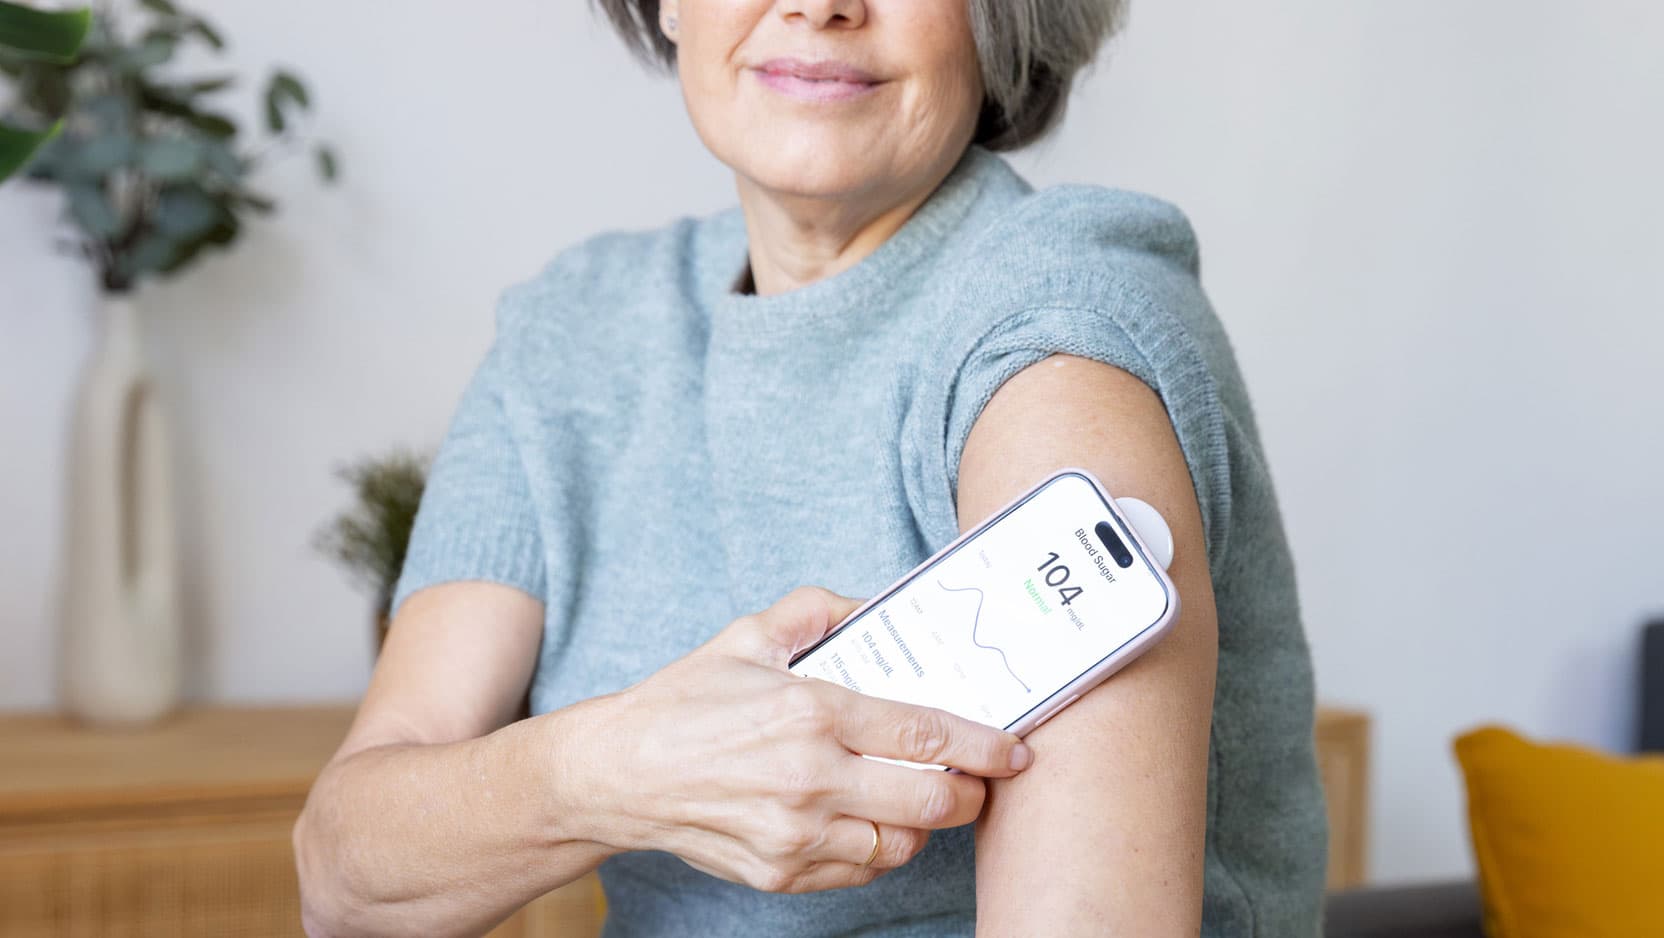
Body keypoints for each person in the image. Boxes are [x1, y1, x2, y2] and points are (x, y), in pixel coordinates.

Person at [292, 1, 1328, 935]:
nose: (819, 6)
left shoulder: (1058, 333)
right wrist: (615, 768)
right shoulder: (576, 332)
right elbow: (343, 875)